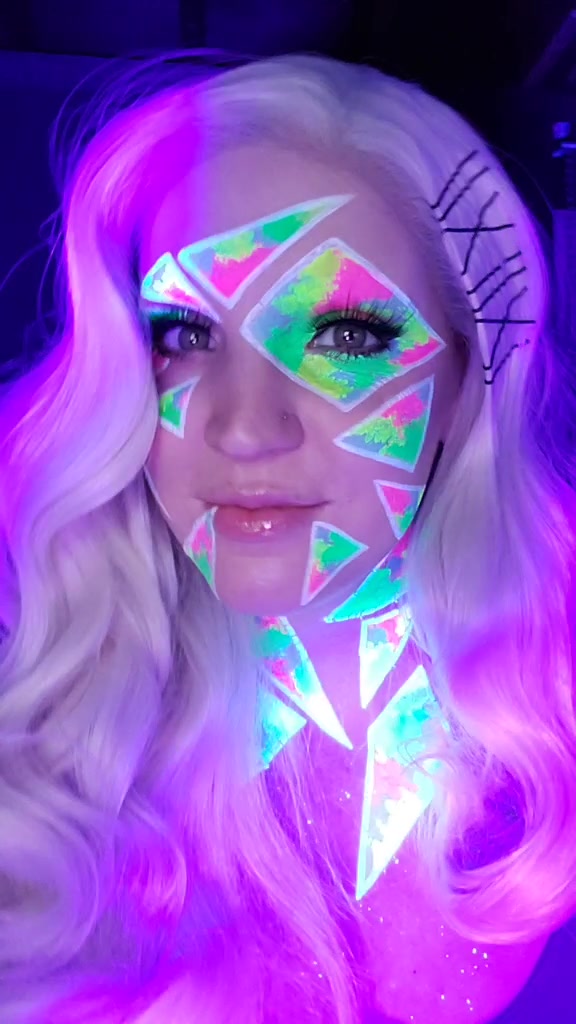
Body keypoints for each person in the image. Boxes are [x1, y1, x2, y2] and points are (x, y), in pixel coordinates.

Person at [0, 52, 575, 1024]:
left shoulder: (549, 674)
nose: (242, 428)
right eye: (186, 335)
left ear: (466, 383)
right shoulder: (55, 708)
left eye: (346, 337)